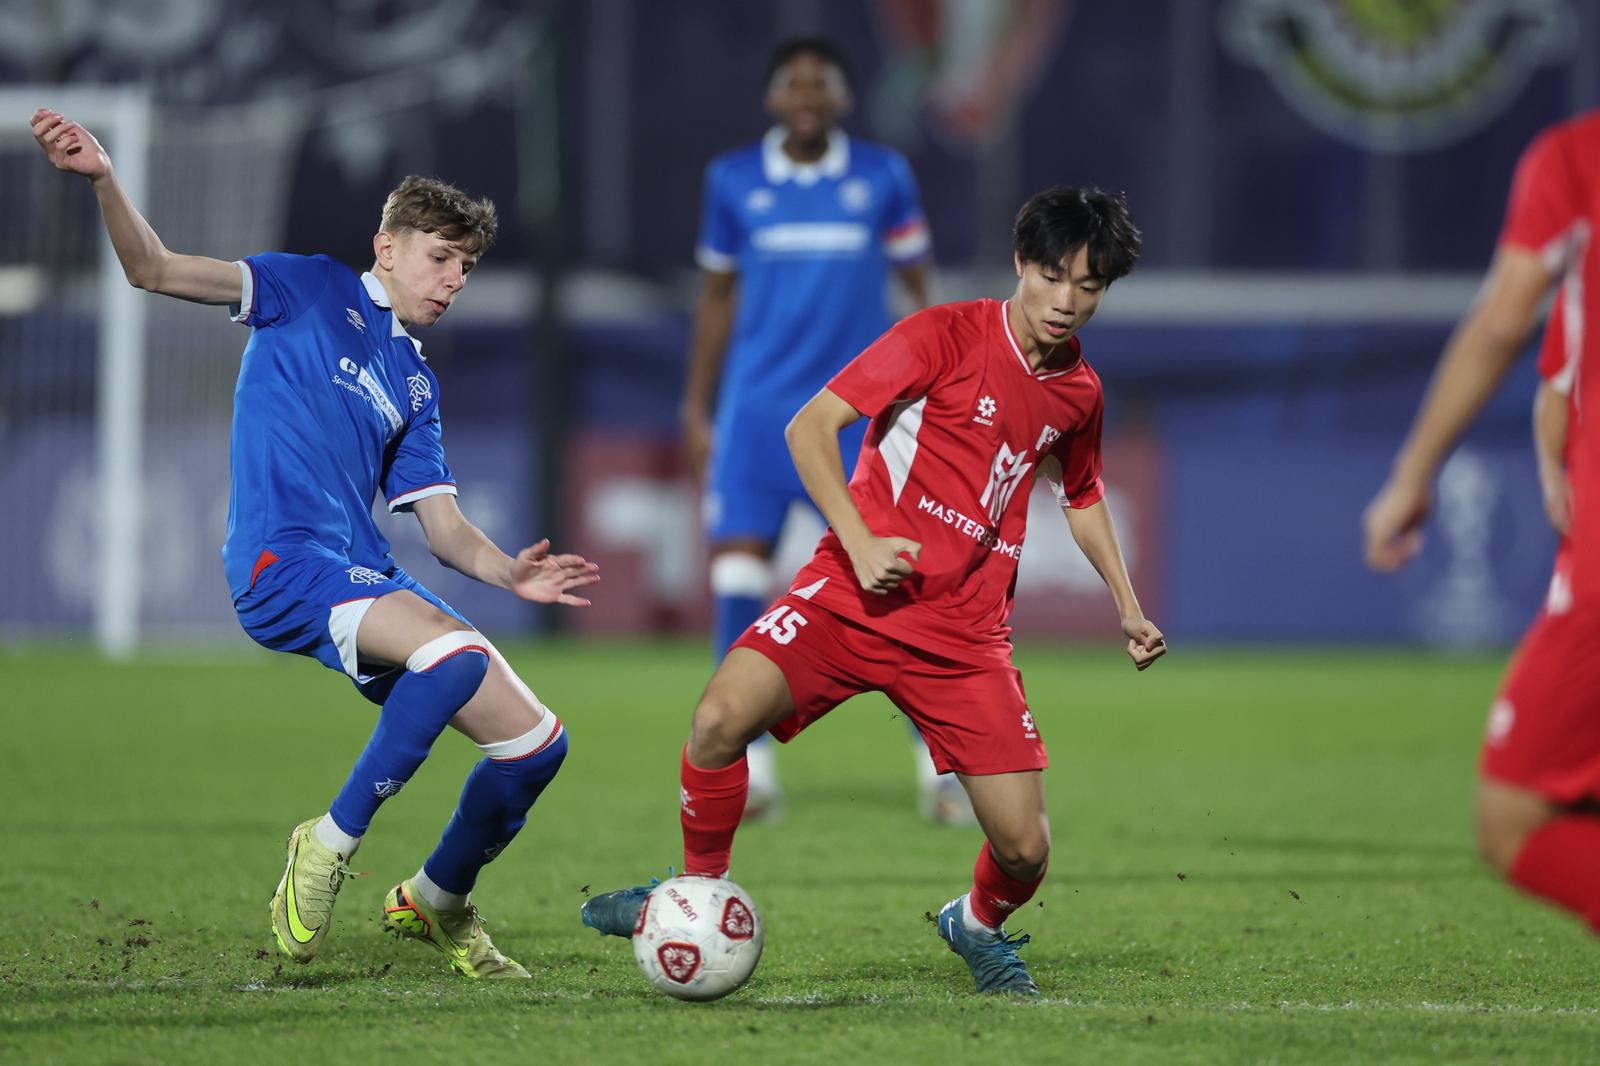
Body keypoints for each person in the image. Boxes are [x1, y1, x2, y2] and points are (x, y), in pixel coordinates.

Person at [31, 108, 599, 977]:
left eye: (467, 267)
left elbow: (444, 529)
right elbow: (153, 269)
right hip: (282, 562)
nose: (454, 280)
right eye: (441, 257)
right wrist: (105, 179)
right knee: (452, 660)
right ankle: (327, 844)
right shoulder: (305, 286)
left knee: (536, 746)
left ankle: (436, 901)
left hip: (358, 571)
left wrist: (508, 572)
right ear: (386, 246)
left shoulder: (414, 381)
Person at [584, 186, 1166, 995]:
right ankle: (695, 891)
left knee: (1025, 849)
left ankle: (976, 924)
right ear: (1020, 263)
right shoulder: (942, 334)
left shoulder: (1080, 393)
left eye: (1089, 286)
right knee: (718, 720)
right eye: (1052, 276)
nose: (1067, 301)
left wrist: (1128, 607)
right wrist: (858, 541)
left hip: (963, 639)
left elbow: (1083, 493)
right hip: (851, 599)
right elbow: (809, 427)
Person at [684, 37, 953, 823]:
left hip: (853, 418)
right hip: (755, 418)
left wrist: (939, 383)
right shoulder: (732, 179)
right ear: (773, 98)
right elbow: (716, 298)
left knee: (894, 586)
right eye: (792, 83)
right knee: (738, 580)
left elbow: (920, 290)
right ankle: (752, 771)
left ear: (844, 97)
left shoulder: (882, 176)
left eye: (821, 83)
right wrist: (696, 406)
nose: (806, 95)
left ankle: (940, 771)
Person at [1363, 108, 1600, 933]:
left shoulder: (1576, 158)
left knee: (1514, 818)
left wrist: (1412, 474)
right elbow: (1560, 377)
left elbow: (1506, 319)